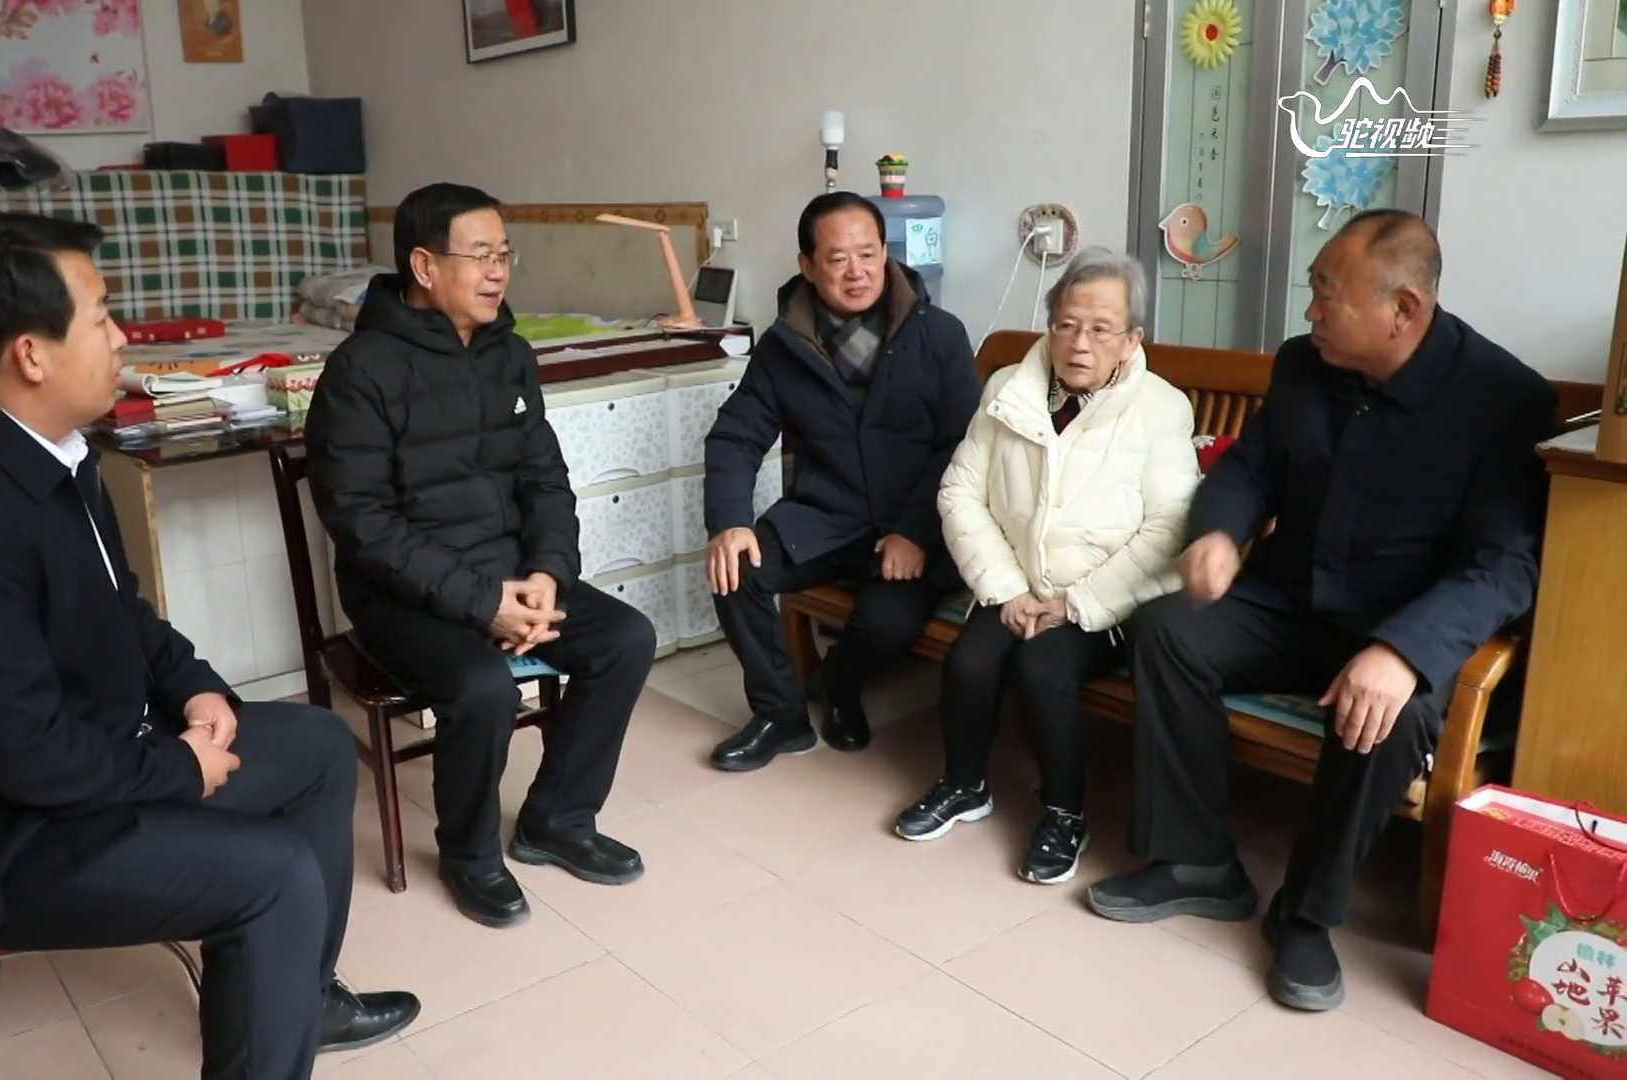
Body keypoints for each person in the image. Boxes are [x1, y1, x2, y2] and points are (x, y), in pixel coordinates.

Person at [0, 213, 418, 1080]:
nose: (122, 339)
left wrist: (195, 687)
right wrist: (179, 767)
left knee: (320, 748)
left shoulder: (54, 453)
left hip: (89, 763)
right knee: (275, 876)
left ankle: (300, 999)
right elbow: (23, 757)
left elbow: (124, 610)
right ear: (31, 354)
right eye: (104, 316)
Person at [1086, 210, 1558, 1011]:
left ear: (1403, 309)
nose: (1310, 311)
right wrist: (1220, 533)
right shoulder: (1305, 364)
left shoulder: (1502, 399)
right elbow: (1249, 470)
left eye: (1327, 293)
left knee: (1397, 713)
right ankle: (1196, 860)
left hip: (1395, 626)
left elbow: (1504, 565)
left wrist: (1403, 653)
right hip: (1288, 603)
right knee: (1167, 631)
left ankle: (1305, 915)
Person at [304, 182, 656, 930]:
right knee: (483, 688)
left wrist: (547, 574)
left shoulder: (509, 354)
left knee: (625, 638)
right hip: (400, 596)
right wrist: (483, 602)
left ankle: (556, 819)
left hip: (510, 574)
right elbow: (364, 526)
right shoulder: (360, 372)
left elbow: (545, 480)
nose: (498, 271)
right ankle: (469, 855)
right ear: (425, 266)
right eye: (481, 255)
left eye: (505, 255)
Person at [897, 248, 1198, 885]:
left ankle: (1064, 813)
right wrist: (1006, 589)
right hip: (1018, 583)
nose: (1079, 343)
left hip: (1107, 598)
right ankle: (964, 784)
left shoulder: (1162, 407)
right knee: (971, 661)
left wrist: (1076, 604)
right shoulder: (1009, 388)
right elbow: (960, 492)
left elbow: (1170, 530)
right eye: (1066, 324)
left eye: (1101, 329)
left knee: (1042, 668)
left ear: (1132, 339)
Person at [703, 191, 980, 771]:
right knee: (735, 570)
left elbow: (963, 445)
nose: (857, 271)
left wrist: (915, 532)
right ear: (807, 265)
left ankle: (839, 684)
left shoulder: (939, 335)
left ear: (886, 253)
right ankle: (780, 715)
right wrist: (730, 522)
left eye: (868, 253)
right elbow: (735, 436)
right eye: (837, 258)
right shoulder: (785, 345)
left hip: (913, 523)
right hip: (825, 517)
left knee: (887, 625)